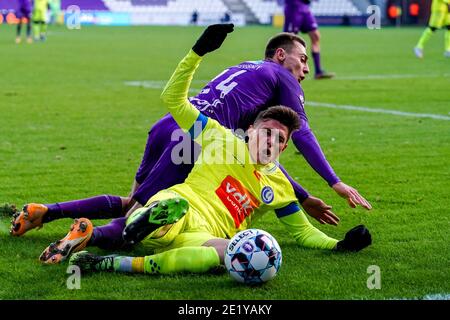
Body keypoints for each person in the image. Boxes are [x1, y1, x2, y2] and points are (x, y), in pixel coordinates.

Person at [39, 25, 372, 272]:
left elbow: (265, 169)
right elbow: (302, 132)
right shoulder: (237, 127)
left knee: (136, 207)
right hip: (194, 136)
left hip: (169, 127)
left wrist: (322, 221)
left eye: (279, 139)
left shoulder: (247, 76)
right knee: (136, 218)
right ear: (281, 55)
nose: (305, 70)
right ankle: (100, 239)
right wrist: (334, 182)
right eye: (302, 61)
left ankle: (53, 216)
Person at [283, 0, 335, 79]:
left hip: (304, 7)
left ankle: (318, 71)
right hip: (293, 7)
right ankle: (282, 71)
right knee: (289, 40)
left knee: (315, 36)